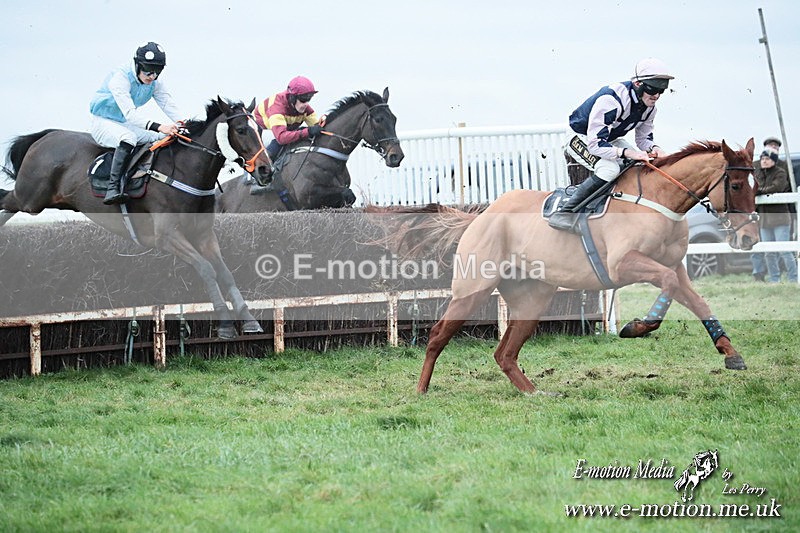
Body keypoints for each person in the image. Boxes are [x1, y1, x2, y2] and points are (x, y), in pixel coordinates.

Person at [549, 58, 674, 232]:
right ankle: (565, 212)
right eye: (653, 89)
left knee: (636, 164)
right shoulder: (611, 100)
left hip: (607, 139)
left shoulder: (650, 108)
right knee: (609, 169)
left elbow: (643, 140)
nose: (656, 95)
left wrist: (655, 149)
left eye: (662, 90)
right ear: (637, 84)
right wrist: (628, 153)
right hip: (581, 136)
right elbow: (595, 145)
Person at [89, 42, 185, 204]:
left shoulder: (155, 82)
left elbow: (167, 103)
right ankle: (113, 188)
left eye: (157, 71)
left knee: (161, 136)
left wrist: (182, 123)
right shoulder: (120, 78)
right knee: (128, 138)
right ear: (137, 64)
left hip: (122, 123)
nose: (151, 76)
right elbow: (131, 115)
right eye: (147, 70)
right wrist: (161, 126)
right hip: (102, 122)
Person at [750, 149, 798, 283]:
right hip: (764, 219)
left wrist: (758, 191)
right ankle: (774, 279)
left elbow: (776, 187)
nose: (764, 161)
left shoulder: (780, 173)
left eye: (767, 159)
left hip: (780, 218)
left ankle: (793, 278)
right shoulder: (758, 173)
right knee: (769, 252)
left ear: (773, 161)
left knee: (785, 251)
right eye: (762, 158)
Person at [253, 76, 322, 160]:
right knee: (277, 144)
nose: (306, 104)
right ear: (292, 98)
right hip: (260, 132)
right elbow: (281, 138)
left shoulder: (305, 109)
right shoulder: (277, 107)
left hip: (281, 131)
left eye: (309, 99)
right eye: (303, 100)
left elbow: (319, 127)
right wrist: (307, 131)